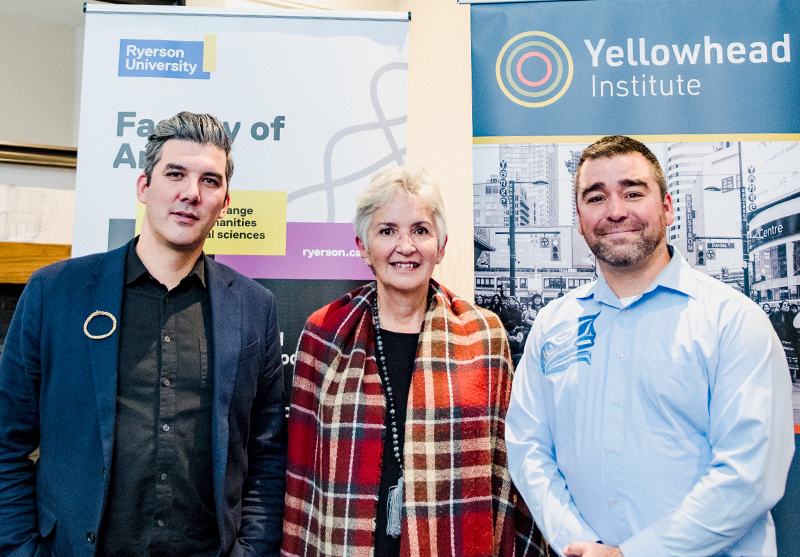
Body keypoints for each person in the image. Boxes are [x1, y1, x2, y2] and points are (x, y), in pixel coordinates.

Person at [0, 112, 287, 557]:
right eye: (175, 174)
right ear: (143, 187)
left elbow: (266, 456)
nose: (190, 193)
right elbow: (6, 441)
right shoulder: (55, 292)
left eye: (209, 181)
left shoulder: (254, 308)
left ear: (225, 202)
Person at [506, 135, 794, 557]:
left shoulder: (732, 320)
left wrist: (635, 553)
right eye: (596, 197)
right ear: (580, 217)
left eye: (633, 192)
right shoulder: (553, 324)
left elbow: (749, 473)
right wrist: (578, 542)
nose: (616, 211)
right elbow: (529, 446)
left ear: (668, 207)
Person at [282, 165, 543, 557]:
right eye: (387, 231)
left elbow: (508, 473)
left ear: (441, 246)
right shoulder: (324, 334)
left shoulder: (485, 336)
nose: (405, 246)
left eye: (420, 230)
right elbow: (302, 473)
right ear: (362, 246)